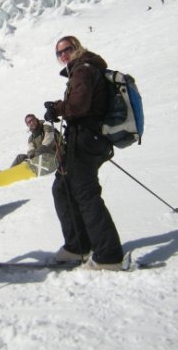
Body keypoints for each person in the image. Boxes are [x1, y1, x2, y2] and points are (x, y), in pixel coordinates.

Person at [43, 36, 124, 271]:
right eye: (59, 53)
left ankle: (109, 256)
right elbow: (82, 101)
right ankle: (77, 246)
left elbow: (79, 105)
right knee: (63, 188)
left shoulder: (83, 69)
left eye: (67, 49)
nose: (63, 55)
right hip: (88, 140)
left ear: (77, 48)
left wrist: (57, 109)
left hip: (86, 141)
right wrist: (58, 107)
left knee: (86, 195)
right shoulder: (84, 69)